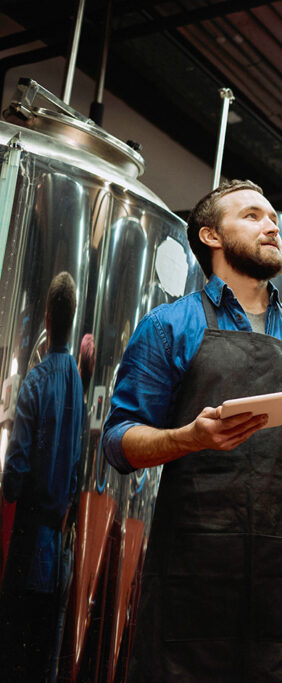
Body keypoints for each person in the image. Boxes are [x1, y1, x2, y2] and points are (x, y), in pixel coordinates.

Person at [101, 179, 282, 681]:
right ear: (211, 236)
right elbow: (118, 441)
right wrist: (188, 438)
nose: (271, 226)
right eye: (252, 216)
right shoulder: (170, 325)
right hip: (193, 573)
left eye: (273, 218)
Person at [0, 271, 83, 682]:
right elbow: (77, 471)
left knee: (13, 656)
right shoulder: (78, 383)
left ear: (48, 318)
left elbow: (13, 476)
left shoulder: (35, 381)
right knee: (44, 662)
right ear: (72, 317)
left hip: (28, 546)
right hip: (59, 553)